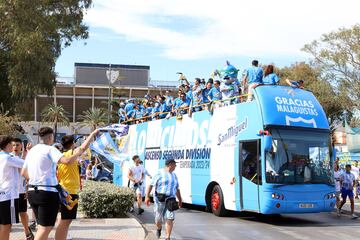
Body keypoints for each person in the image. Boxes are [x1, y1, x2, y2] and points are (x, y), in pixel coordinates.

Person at [21, 127, 85, 240]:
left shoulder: (32, 151)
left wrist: (37, 180)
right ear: (51, 137)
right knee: (46, 227)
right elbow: (67, 161)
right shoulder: (50, 149)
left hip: (32, 192)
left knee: (41, 226)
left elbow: (23, 172)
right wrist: (77, 153)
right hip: (47, 193)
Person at [55, 130, 99, 240]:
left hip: (65, 190)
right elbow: (83, 148)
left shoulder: (62, 156)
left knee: (64, 219)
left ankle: (62, 237)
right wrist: (93, 133)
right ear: (73, 144)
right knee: (66, 220)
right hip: (69, 192)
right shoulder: (70, 154)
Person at [145, 159, 182, 240]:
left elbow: (177, 188)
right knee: (158, 219)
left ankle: (167, 237)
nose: (175, 166)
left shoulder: (174, 175)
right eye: (174, 164)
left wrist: (180, 199)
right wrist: (147, 196)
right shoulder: (159, 173)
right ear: (170, 165)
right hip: (159, 200)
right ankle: (159, 228)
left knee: (170, 217)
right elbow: (151, 185)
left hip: (171, 200)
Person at [0, 136, 25, 240]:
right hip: (8, 196)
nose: (13, 146)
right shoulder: (8, 158)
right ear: (8, 145)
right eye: (12, 143)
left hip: (3, 194)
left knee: (3, 224)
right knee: (6, 225)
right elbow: (25, 164)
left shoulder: (5, 156)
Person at [11, 138, 34, 240]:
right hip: (9, 192)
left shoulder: (23, 159)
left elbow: (27, 175)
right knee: (10, 216)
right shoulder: (8, 158)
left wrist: (27, 189)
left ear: (21, 146)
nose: (15, 147)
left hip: (21, 191)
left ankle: (27, 231)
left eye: (17, 145)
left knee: (23, 213)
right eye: (13, 145)